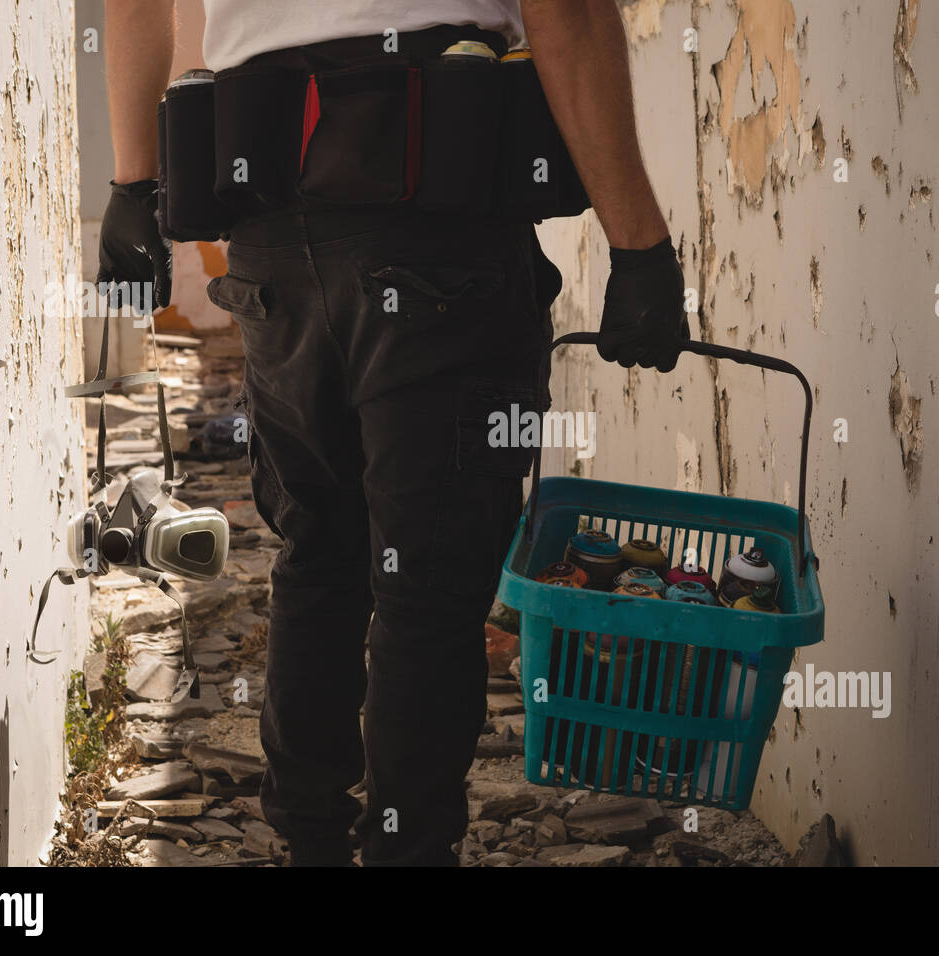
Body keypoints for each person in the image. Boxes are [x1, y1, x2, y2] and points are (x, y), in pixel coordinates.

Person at [96, 0, 687, 866]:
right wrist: (637, 243)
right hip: (433, 223)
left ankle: (312, 847)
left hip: (267, 228)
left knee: (319, 557)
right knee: (430, 587)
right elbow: (566, 10)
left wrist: (131, 184)